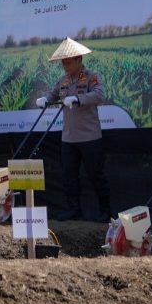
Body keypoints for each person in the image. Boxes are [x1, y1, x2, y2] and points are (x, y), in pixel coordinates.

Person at [35, 38, 113, 221]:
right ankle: (74, 210)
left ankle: (105, 211)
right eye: (63, 63)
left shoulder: (92, 77)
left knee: (96, 175)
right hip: (68, 137)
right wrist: (45, 99)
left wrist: (79, 99)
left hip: (89, 136)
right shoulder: (63, 81)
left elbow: (99, 95)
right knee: (69, 176)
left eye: (68, 62)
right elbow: (53, 94)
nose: (65, 66)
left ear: (79, 60)